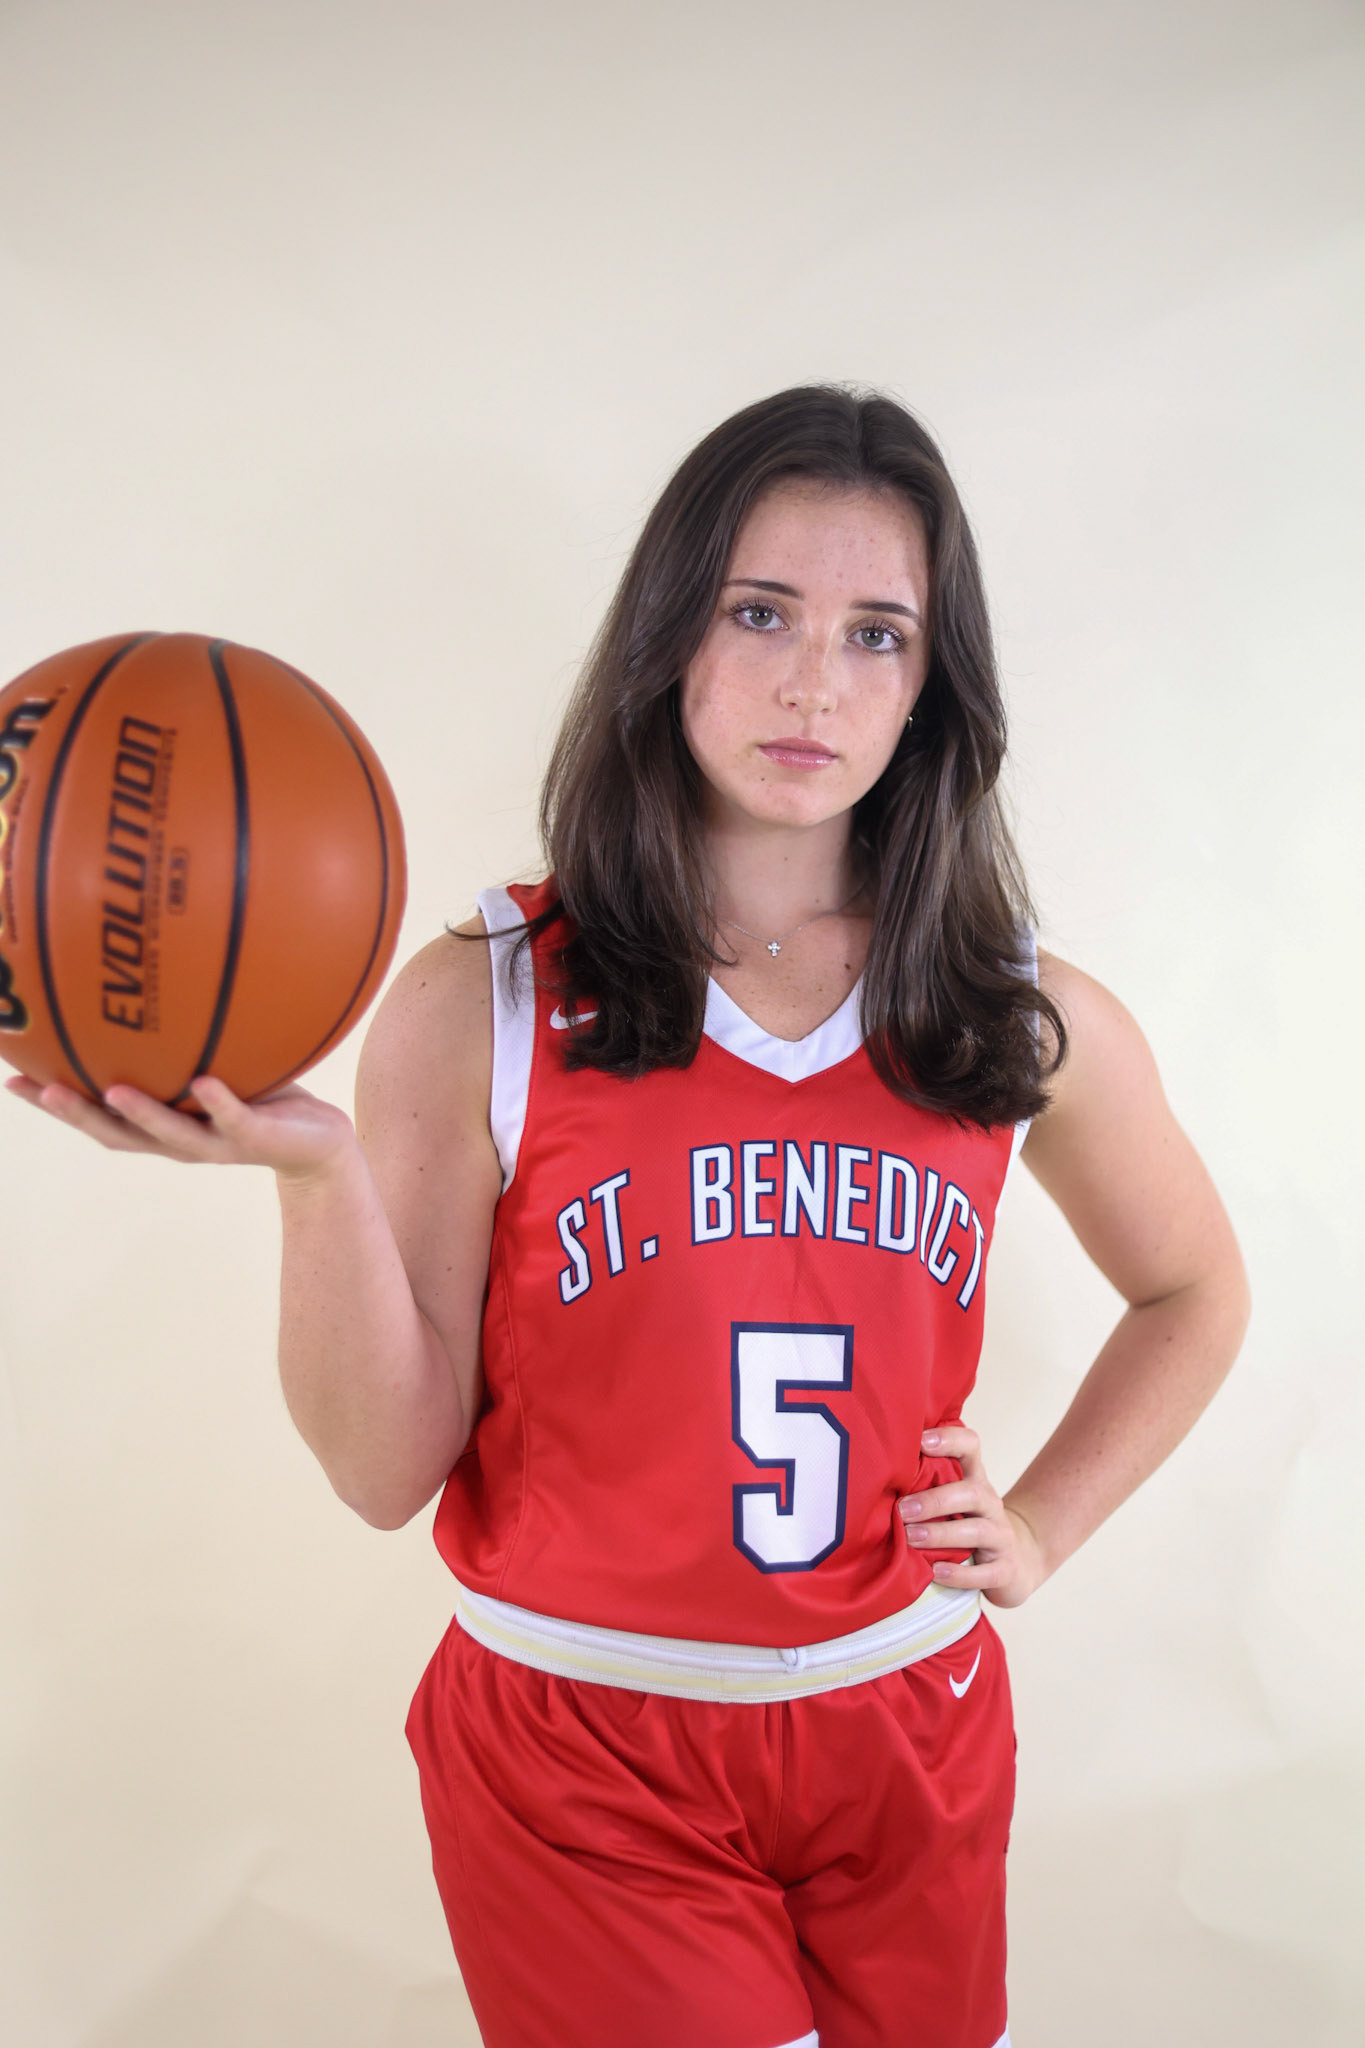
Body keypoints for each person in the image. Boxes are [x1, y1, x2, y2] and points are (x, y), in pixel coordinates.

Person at [6, 385, 1251, 2048]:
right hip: (587, 1745)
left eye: (878, 634)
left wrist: (1039, 1524)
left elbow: (1191, 1289)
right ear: (670, 635)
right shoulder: (489, 1000)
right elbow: (386, 1472)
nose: (815, 679)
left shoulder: (1013, 1010)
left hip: (912, 1724)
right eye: (761, 613)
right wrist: (319, 1180)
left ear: (932, 692)